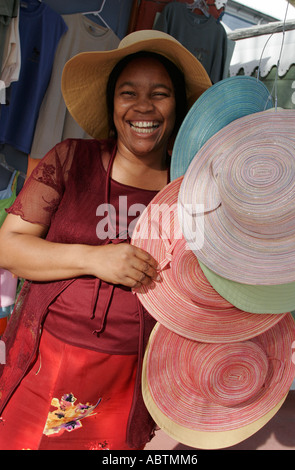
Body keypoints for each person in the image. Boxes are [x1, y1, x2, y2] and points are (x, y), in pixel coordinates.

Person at [0, 30, 211, 450]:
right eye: (128, 93)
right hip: (45, 356)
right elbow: (8, 247)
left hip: (130, 375)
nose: (143, 107)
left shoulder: (193, 188)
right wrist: (96, 260)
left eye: (160, 94)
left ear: (179, 106)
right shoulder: (71, 160)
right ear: (112, 104)